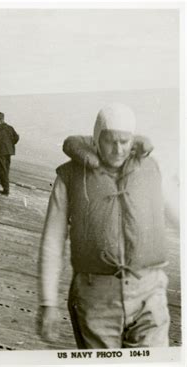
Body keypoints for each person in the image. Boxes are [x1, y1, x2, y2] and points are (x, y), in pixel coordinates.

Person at [38, 103, 171, 348]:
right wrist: (48, 303)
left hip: (150, 292)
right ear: (96, 139)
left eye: (125, 141)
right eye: (110, 141)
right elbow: (52, 241)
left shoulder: (152, 169)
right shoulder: (69, 177)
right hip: (95, 298)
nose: (119, 149)